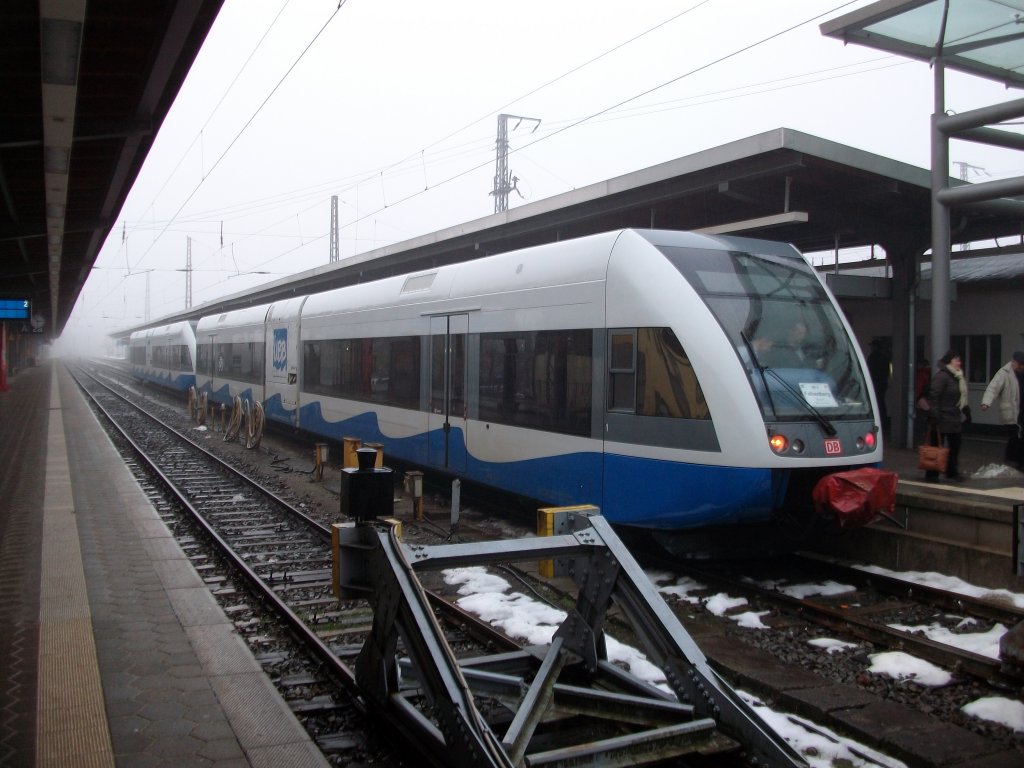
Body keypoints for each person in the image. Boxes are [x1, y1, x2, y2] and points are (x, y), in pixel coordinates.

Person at [925, 350, 968, 482]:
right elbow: (934, 395)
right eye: (957, 360)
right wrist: (934, 416)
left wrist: (967, 412)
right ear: (949, 361)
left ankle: (952, 471)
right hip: (941, 417)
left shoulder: (957, 377)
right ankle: (932, 473)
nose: (960, 363)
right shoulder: (942, 376)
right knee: (937, 445)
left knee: (955, 445)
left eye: (960, 360)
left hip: (953, 417)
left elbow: (960, 397)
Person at [980, 350, 1024, 469]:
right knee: (1015, 437)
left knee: (1020, 437)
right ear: (1013, 362)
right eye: (1019, 364)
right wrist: (986, 402)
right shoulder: (1004, 373)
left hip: (1022, 410)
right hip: (1012, 412)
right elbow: (993, 388)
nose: (1021, 367)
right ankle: (1012, 460)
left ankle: (1017, 461)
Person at [867, 340, 890, 428]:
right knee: (881, 402)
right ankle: (883, 421)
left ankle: (878, 421)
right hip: (882, 384)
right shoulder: (884, 357)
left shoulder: (872, 357)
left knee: (875, 403)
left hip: (874, 384)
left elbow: (870, 371)